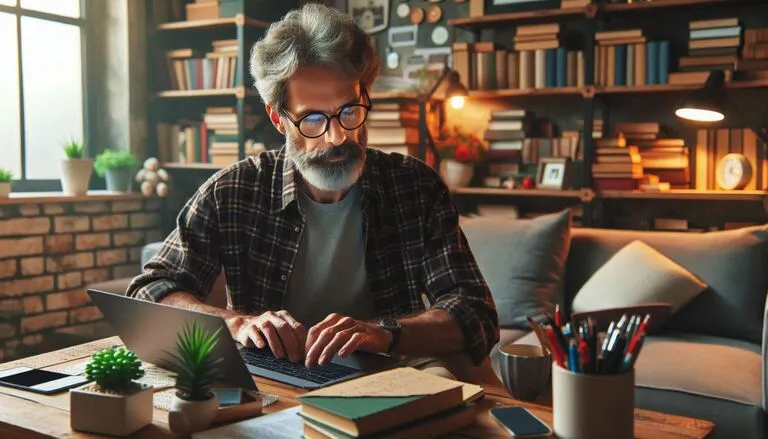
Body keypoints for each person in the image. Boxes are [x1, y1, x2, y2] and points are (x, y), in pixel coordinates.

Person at [126, 3, 499, 382]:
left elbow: (474, 311)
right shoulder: (233, 190)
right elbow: (149, 291)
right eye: (313, 119)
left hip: (393, 369)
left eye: (350, 111)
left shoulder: (415, 186)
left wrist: (384, 333)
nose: (338, 137)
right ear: (278, 118)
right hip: (273, 378)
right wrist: (236, 323)